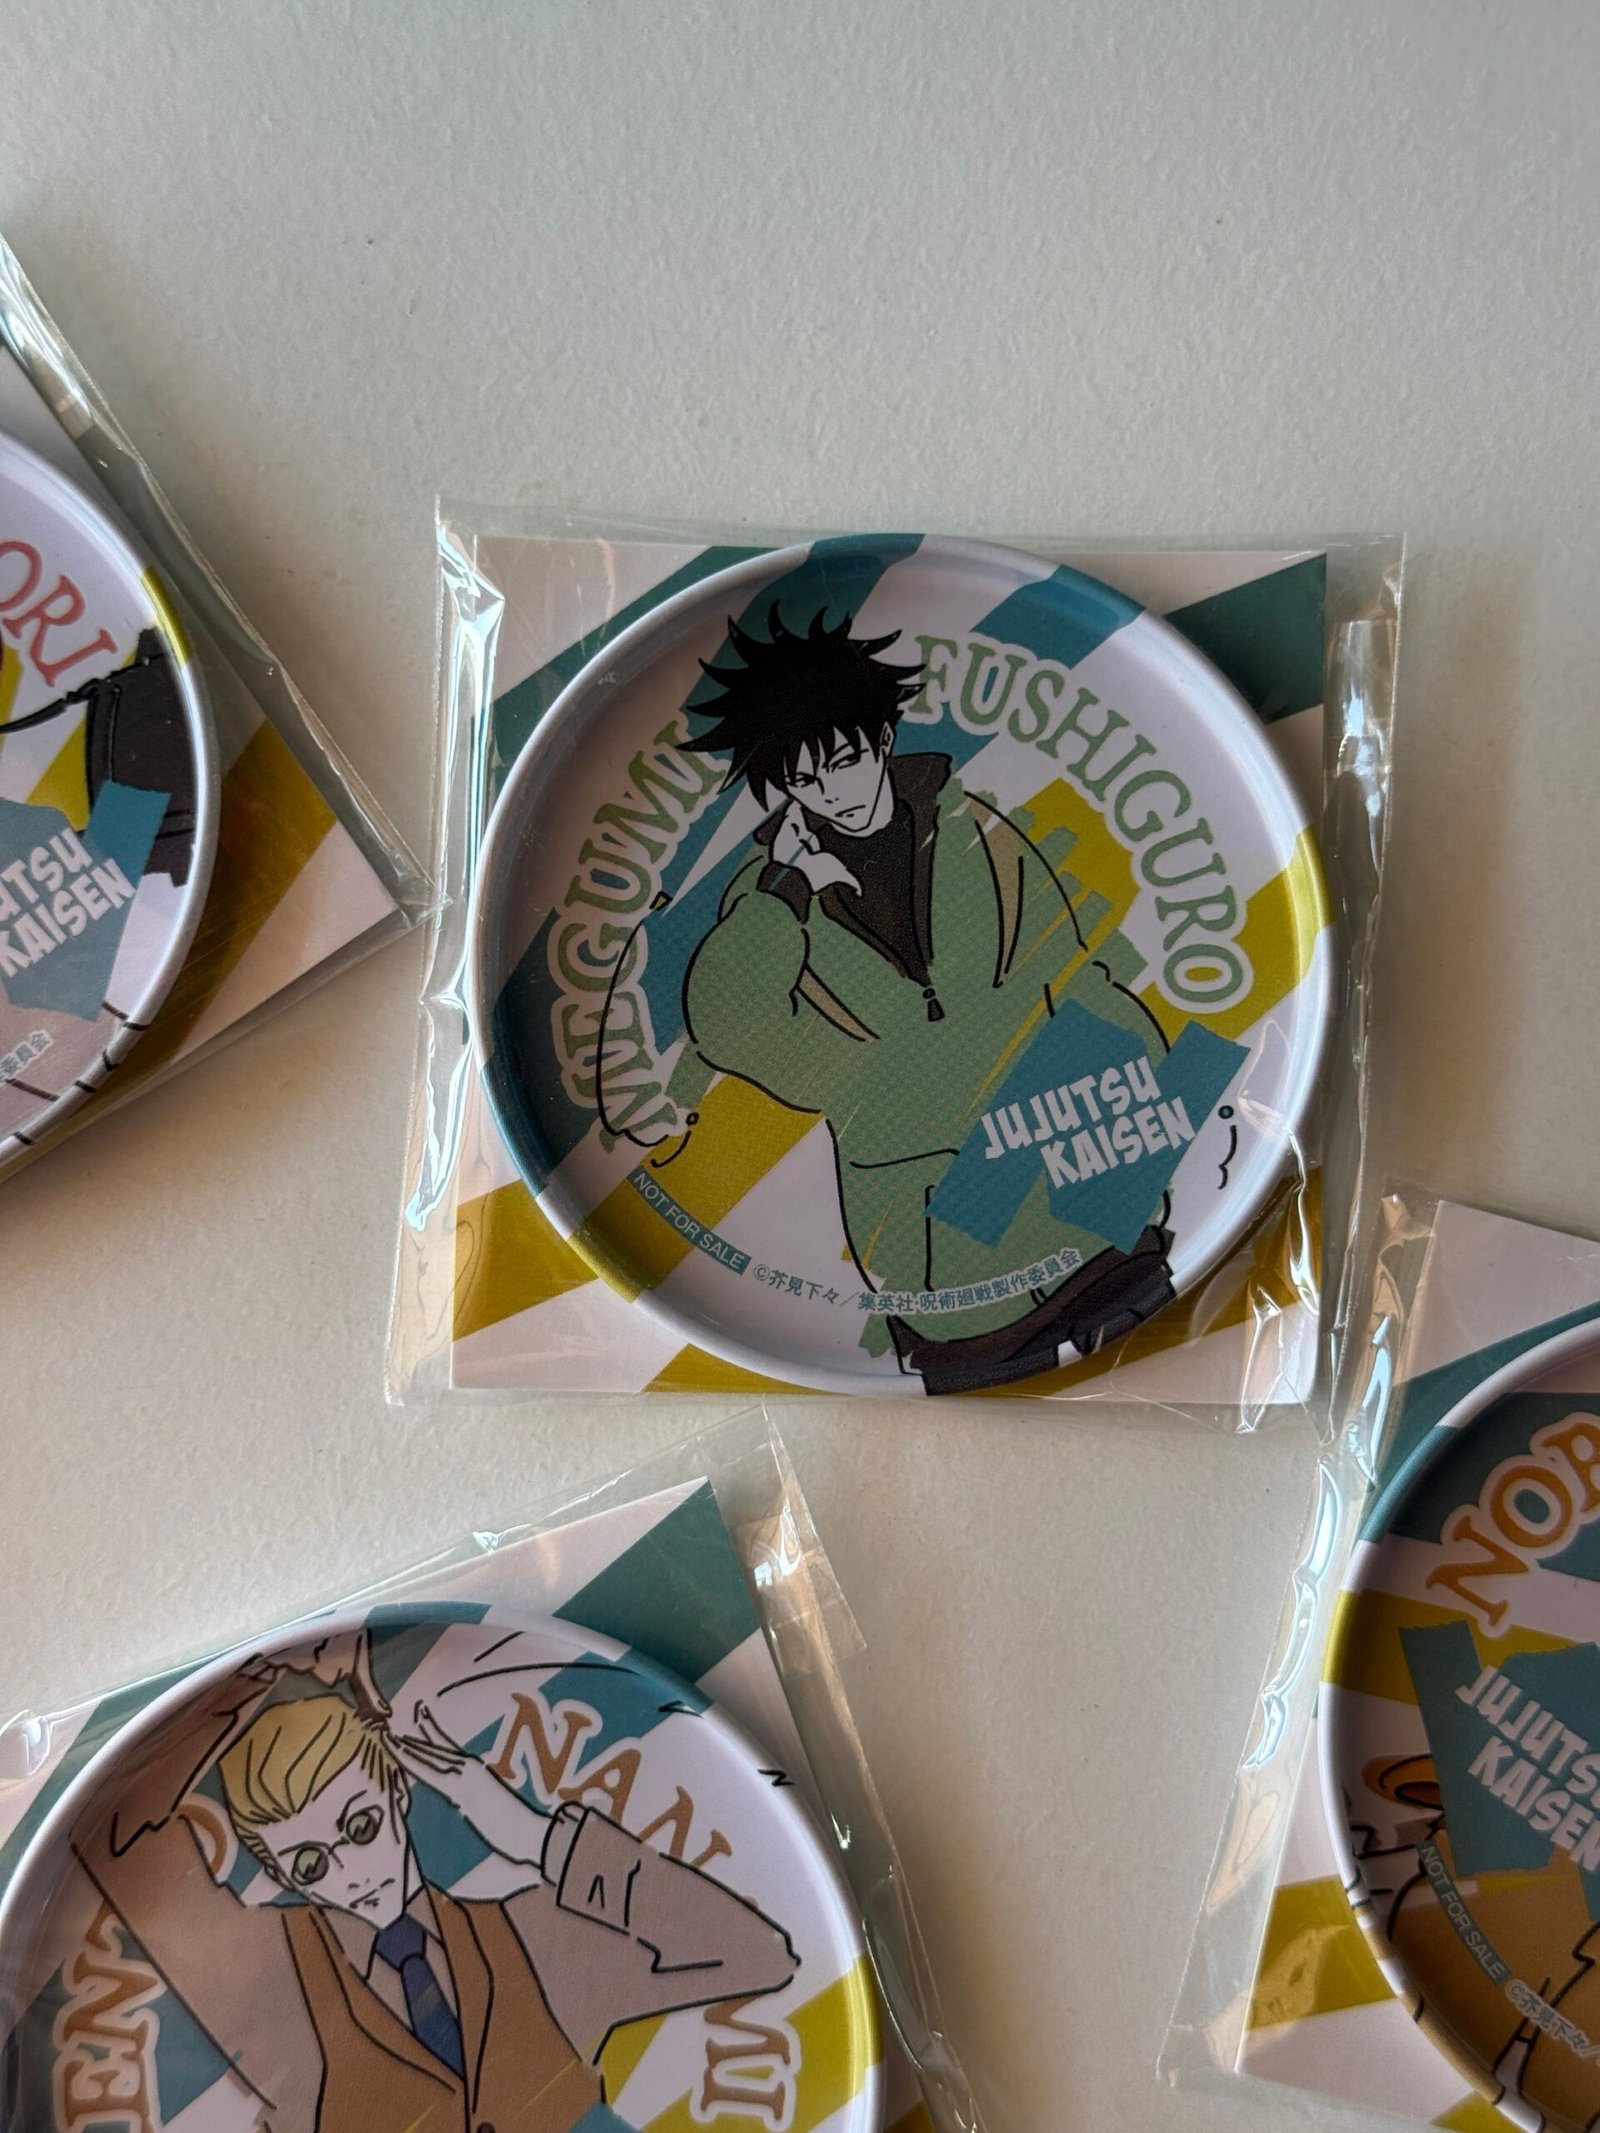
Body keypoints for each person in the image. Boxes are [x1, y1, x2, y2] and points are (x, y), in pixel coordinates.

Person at [680, 605, 1175, 1392]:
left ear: (881, 738)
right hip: (943, 1273)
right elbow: (732, 1026)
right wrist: (787, 891)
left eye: (844, 761)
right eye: (803, 779)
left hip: (1086, 1216)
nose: (831, 792)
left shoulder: (979, 830)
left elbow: (1082, 982)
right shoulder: (769, 900)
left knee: (1160, 1376)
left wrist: (1153, 1140)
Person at [70, 1630, 798, 2133]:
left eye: (360, 1826)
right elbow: (111, 1829)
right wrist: (252, 1677)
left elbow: (755, 1956)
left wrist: (538, 1839)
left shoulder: (532, 1933)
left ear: (397, 1790)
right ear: (281, 1872)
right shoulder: (273, 1976)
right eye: (311, 1864)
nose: (352, 1873)